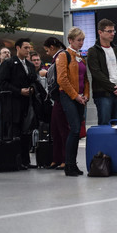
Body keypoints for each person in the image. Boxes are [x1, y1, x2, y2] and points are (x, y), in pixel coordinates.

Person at [0, 38, 43, 169]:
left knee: (27, 132)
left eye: (29, 48)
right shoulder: (9, 64)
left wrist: (32, 89)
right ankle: (16, 160)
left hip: (28, 104)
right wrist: (19, 91)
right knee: (16, 132)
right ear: (17, 48)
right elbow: (3, 83)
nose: (28, 50)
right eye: (25, 48)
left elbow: (34, 81)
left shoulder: (29, 65)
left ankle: (26, 160)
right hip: (14, 104)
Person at [56, 28, 90, 176]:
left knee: (77, 132)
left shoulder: (81, 58)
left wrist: (86, 95)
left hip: (80, 97)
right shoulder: (64, 55)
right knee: (75, 129)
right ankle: (69, 164)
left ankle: (72, 164)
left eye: (82, 40)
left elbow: (86, 80)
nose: (81, 43)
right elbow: (62, 79)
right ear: (70, 40)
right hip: (68, 96)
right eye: (78, 40)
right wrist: (76, 95)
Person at [87, 19, 117, 125]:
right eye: (109, 31)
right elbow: (97, 74)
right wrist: (114, 88)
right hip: (103, 94)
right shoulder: (93, 51)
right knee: (105, 125)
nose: (112, 34)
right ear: (100, 32)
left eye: (113, 31)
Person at [43, 37, 69, 170]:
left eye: (47, 50)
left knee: (62, 129)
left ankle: (64, 158)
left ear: (52, 47)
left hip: (61, 97)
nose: (47, 53)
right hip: (57, 99)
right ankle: (57, 158)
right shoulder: (58, 57)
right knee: (55, 129)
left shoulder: (61, 56)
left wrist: (47, 74)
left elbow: (59, 76)